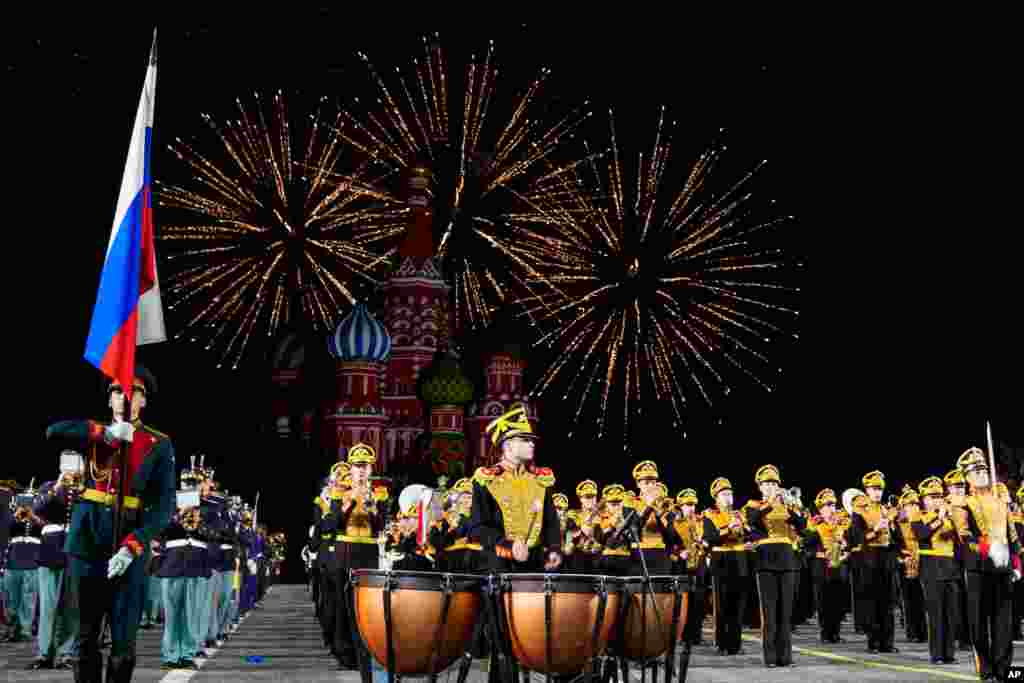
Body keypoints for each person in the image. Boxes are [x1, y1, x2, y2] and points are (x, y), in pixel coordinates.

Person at [45, 364, 175, 683]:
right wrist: (104, 433)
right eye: (117, 391)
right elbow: (53, 431)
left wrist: (134, 545)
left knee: (123, 643)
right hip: (86, 542)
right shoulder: (93, 433)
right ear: (109, 400)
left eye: (134, 391)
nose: (124, 396)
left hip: (127, 544)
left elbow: (164, 505)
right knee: (84, 638)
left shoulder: (159, 444)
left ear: (143, 401)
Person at [952, 446, 1021, 681]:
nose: (981, 474)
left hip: (1002, 568)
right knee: (979, 622)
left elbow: (1012, 536)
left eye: (983, 469)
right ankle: (986, 668)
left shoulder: (1000, 499)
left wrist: (1017, 564)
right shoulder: (963, 503)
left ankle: (1004, 670)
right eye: (976, 471)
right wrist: (988, 547)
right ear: (967, 477)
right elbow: (965, 536)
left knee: (1004, 622)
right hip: (979, 568)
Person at [468, 405, 561, 573]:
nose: (532, 444)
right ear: (508, 446)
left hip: (535, 562)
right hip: (499, 562)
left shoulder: (540, 479)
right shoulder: (486, 480)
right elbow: (477, 527)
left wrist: (554, 548)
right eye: (525, 440)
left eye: (531, 440)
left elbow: (551, 522)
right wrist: (508, 545)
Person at [744, 464, 806, 668]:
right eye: (767, 484)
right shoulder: (754, 505)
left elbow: (802, 526)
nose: (771, 486)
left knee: (785, 611)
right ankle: (770, 657)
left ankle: (785, 657)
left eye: (774, 483)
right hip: (766, 560)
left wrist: (790, 506)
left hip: (787, 559)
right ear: (760, 487)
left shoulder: (786, 505)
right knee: (769, 612)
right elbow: (751, 521)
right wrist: (770, 503)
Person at [27, 465, 82, 669]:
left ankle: (66, 654)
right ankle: (44, 654)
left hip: (74, 549)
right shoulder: (48, 487)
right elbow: (38, 508)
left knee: (70, 605)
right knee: (48, 607)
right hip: (50, 550)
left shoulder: (84, 488)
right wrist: (57, 485)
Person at [847, 470, 901, 653]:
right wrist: (876, 530)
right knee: (872, 600)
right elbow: (855, 537)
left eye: (880, 489)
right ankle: (874, 642)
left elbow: (896, 537)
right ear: (867, 490)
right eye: (874, 489)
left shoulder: (887, 509)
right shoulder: (860, 510)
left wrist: (893, 530)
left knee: (888, 601)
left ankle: (888, 642)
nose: (877, 492)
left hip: (886, 557)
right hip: (869, 557)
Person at [913, 476, 960, 665]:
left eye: (939, 496)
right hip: (931, 568)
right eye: (932, 496)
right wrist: (939, 519)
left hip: (950, 568)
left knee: (950, 613)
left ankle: (949, 653)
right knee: (935, 613)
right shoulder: (918, 517)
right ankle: (937, 654)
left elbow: (958, 540)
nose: (937, 500)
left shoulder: (950, 517)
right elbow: (922, 535)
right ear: (924, 499)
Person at [702, 477, 751, 656]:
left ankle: (735, 644)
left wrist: (746, 533)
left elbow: (748, 534)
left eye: (730, 494)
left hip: (739, 559)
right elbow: (710, 538)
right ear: (716, 497)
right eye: (724, 494)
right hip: (721, 560)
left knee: (738, 604)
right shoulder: (709, 515)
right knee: (722, 604)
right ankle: (722, 644)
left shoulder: (739, 514)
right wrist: (728, 529)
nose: (728, 497)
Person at [805, 489, 848, 644]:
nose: (831, 508)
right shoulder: (814, 525)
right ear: (821, 509)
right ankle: (825, 633)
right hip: (822, 567)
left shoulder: (841, 524)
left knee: (838, 601)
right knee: (824, 602)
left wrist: (845, 546)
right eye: (828, 506)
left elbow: (850, 544)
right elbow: (806, 547)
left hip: (839, 566)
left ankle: (835, 633)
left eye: (833, 505)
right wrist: (821, 555)